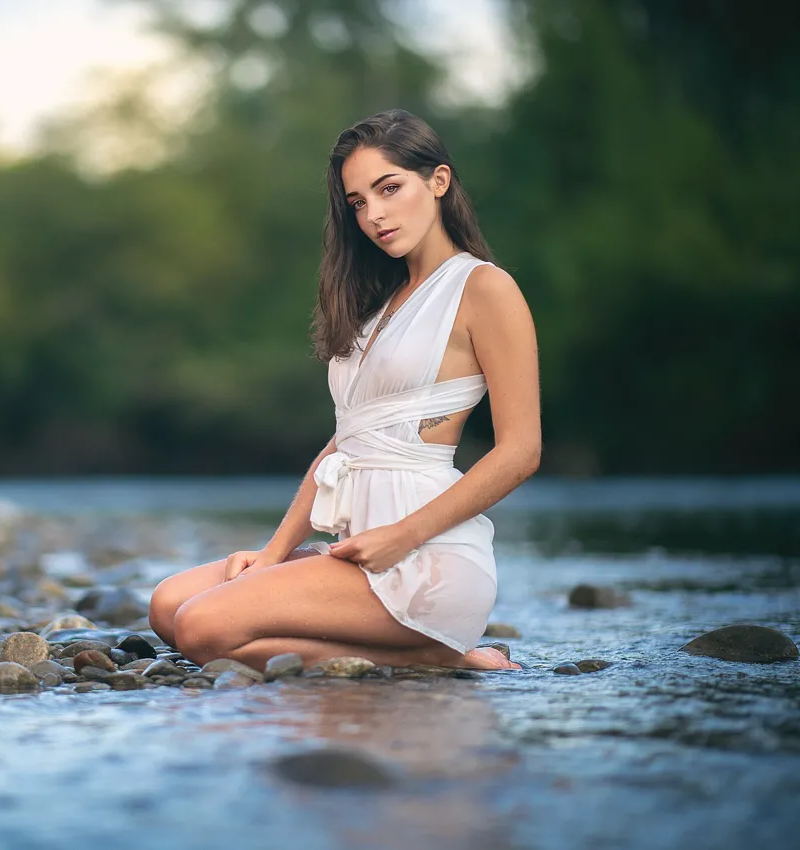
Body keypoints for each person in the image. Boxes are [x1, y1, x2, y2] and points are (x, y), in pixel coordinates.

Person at [148, 109, 541, 671]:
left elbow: (521, 452)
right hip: (358, 546)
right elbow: (344, 445)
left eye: (389, 188)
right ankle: (426, 657)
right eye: (357, 202)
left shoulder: (484, 288)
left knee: (200, 626)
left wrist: (402, 537)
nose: (374, 214)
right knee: (168, 605)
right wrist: (274, 553)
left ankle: (437, 653)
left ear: (438, 182)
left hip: (423, 556)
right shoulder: (377, 307)